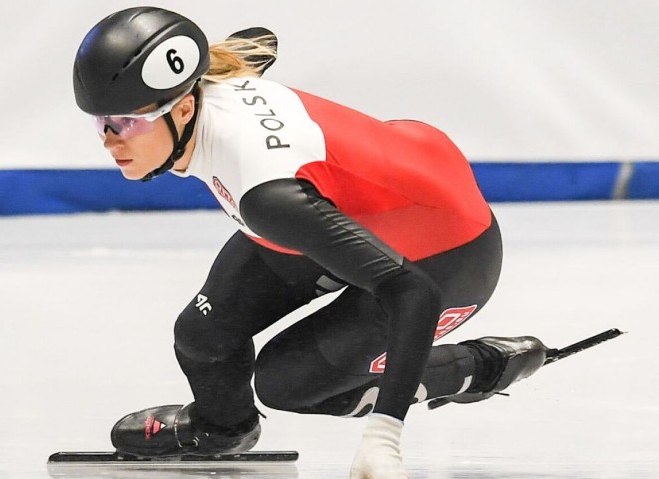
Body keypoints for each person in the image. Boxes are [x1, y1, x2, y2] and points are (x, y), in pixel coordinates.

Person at [72, 7, 548, 478]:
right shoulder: (204, 88)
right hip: (353, 200)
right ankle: (223, 427)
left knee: (292, 384)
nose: (110, 142)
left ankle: (476, 366)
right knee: (203, 338)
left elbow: (413, 293)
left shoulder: (265, 195)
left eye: (126, 123)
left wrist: (384, 437)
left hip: (447, 250)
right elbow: (261, 40)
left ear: (183, 108)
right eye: (100, 123)